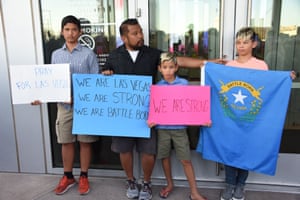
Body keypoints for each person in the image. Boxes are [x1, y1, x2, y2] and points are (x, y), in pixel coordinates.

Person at [102, 18, 223, 200]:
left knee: (148, 151)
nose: (140, 36)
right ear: (124, 37)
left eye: (140, 31)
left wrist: (206, 63)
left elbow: (177, 60)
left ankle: (147, 183)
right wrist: (106, 73)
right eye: (135, 33)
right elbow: (104, 76)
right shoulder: (114, 56)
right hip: (124, 114)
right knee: (124, 149)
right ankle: (130, 180)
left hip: (151, 111)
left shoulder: (151, 53)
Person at [220, 27, 296, 200]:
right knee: (230, 151)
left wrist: (285, 77)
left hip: (251, 118)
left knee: (247, 151)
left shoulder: (261, 65)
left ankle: (240, 186)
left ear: (254, 44)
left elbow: (267, 87)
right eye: (238, 42)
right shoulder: (230, 65)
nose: (241, 46)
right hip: (231, 118)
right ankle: (229, 184)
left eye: (245, 42)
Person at [32, 15, 99, 195]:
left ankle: (84, 176)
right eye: (67, 29)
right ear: (62, 32)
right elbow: (50, 82)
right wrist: (40, 95)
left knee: (85, 142)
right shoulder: (56, 54)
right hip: (64, 107)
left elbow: (95, 83)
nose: (70, 33)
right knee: (66, 142)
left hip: (84, 107)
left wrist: (77, 98)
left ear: (80, 32)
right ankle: (68, 176)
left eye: (74, 29)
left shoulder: (88, 54)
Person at [147, 52, 209, 200]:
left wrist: (202, 117)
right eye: (165, 67)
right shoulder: (157, 87)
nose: (168, 70)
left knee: (186, 159)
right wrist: (151, 119)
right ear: (159, 69)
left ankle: (194, 191)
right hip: (162, 129)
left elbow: (192, 104)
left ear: (176, 67)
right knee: (164, 157)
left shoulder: (183, 84)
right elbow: (152, 106)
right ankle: (169, 184)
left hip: (180, 129)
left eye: (170, 67)